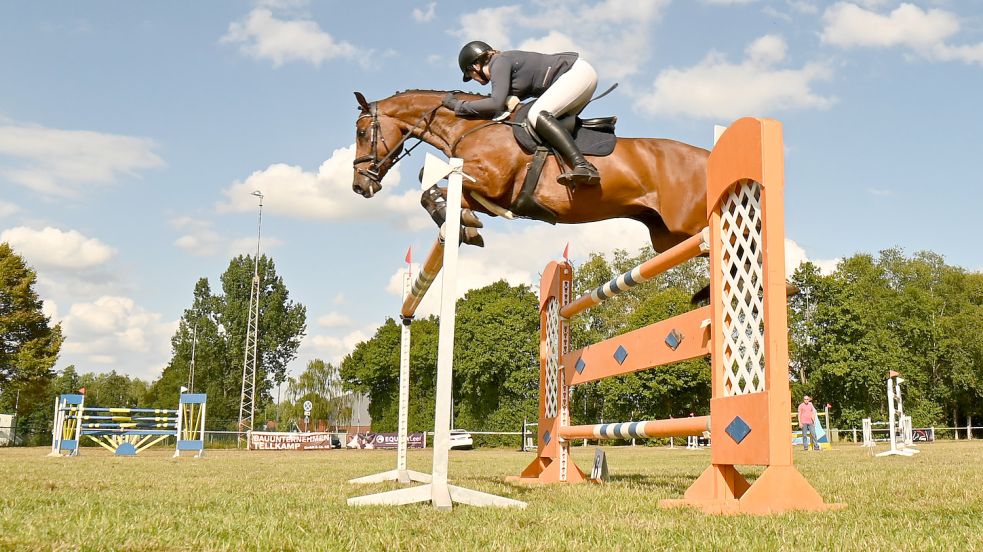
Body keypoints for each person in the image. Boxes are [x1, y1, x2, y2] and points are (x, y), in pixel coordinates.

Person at [442, 40, 601, 187]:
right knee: (544, 126)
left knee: (536, 114)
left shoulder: (498, 62)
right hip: (581, 76)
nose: (474, 79)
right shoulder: (503, 64)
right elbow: (503, 108)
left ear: (475, 66)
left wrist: (459, 106)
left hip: (577, 74)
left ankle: (583, 165)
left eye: (470, 75)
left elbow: (496, 102)